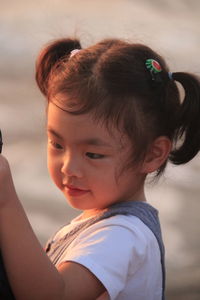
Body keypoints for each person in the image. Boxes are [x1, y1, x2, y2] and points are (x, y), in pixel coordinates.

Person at [0, 37, 200, 300]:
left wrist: (5, 201)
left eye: (93, 154)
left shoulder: (124, 236)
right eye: (57, 144)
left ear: (153, 154)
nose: (69, 167)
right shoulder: (105, 221)